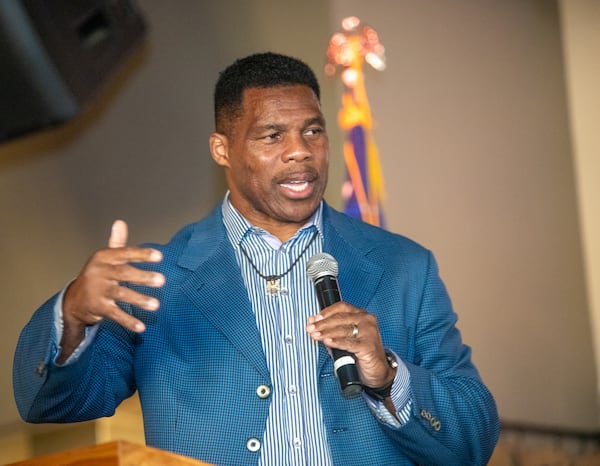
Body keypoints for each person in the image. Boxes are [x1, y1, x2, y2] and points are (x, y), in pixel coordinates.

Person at [13, 52, 499, 466]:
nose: (300, 153)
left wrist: (388, 376)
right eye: (272, 136)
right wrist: (74, 312)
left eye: (313, 131)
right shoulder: (157, 277)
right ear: (222, 149)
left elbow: (472, 438)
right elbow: (54, 402)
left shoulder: (403, 267)